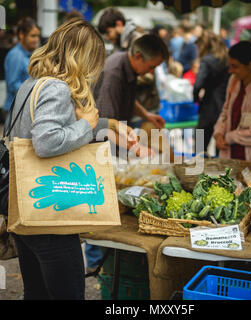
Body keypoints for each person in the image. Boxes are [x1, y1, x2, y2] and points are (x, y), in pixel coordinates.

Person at [8, 19, 139, 300]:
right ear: (82, 58)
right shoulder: (56, 89)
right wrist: (89, 126)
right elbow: (47, 141)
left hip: (27, 208)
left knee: (37, 293)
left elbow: (57, 127)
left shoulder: (32, 84)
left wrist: (112, 124)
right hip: (49, 215)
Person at [93, 34, 168, 130]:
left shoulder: (131, 67)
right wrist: (132, 144)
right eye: (151, 67)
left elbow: (127, 99)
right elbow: (107, 123)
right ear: (138, 56)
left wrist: (147, 115)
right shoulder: (114, 75)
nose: (152, 72)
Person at [193, 32, 229, 151]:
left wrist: (196, 98)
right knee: (223, 148)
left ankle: (199, 169)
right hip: (226, 106)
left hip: (208, 107)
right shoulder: (228, 59)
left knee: (199, 148)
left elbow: (198, 84)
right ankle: (224, 170)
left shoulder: (207, 60)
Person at [3, 17, 40, 114]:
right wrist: (37, 91)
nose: (36, 40)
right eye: (33, 36)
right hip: (15, 110)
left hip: (23, 109)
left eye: (37, 36)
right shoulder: (16, 55)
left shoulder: (29, 53)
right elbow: (13, 84)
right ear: (21, 35)